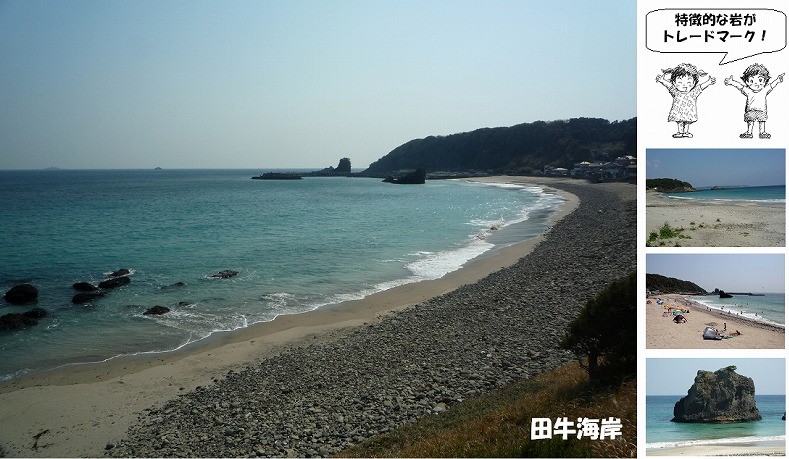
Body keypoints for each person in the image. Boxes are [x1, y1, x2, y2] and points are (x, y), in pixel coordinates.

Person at [724, 63, 784, 139]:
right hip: (750, 110)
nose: (756, 83)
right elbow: (740, 86)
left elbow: (772, 85)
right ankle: (749, 132)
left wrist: (778, 80)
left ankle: (762, 132)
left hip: (761, 110)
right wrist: (731, 82)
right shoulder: (748, 91)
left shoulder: (764, 90)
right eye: (752, 80)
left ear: (765, 81)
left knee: (762, 121)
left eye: (760, 80)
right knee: (750, 121)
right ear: (747, 82)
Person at [656, 63, 716, 138]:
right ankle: (680, 132)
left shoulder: (693, 92)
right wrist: (662, 80)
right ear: (674, 83)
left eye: (689, 83)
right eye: (680, 83)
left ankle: (686, 132)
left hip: (689, 111)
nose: (684, 86)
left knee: (687, 121)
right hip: (678, 111)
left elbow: (701, 87)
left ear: (694, 83)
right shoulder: (675, 92)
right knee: (680, 121)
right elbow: (669, 86)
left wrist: (709, 82)